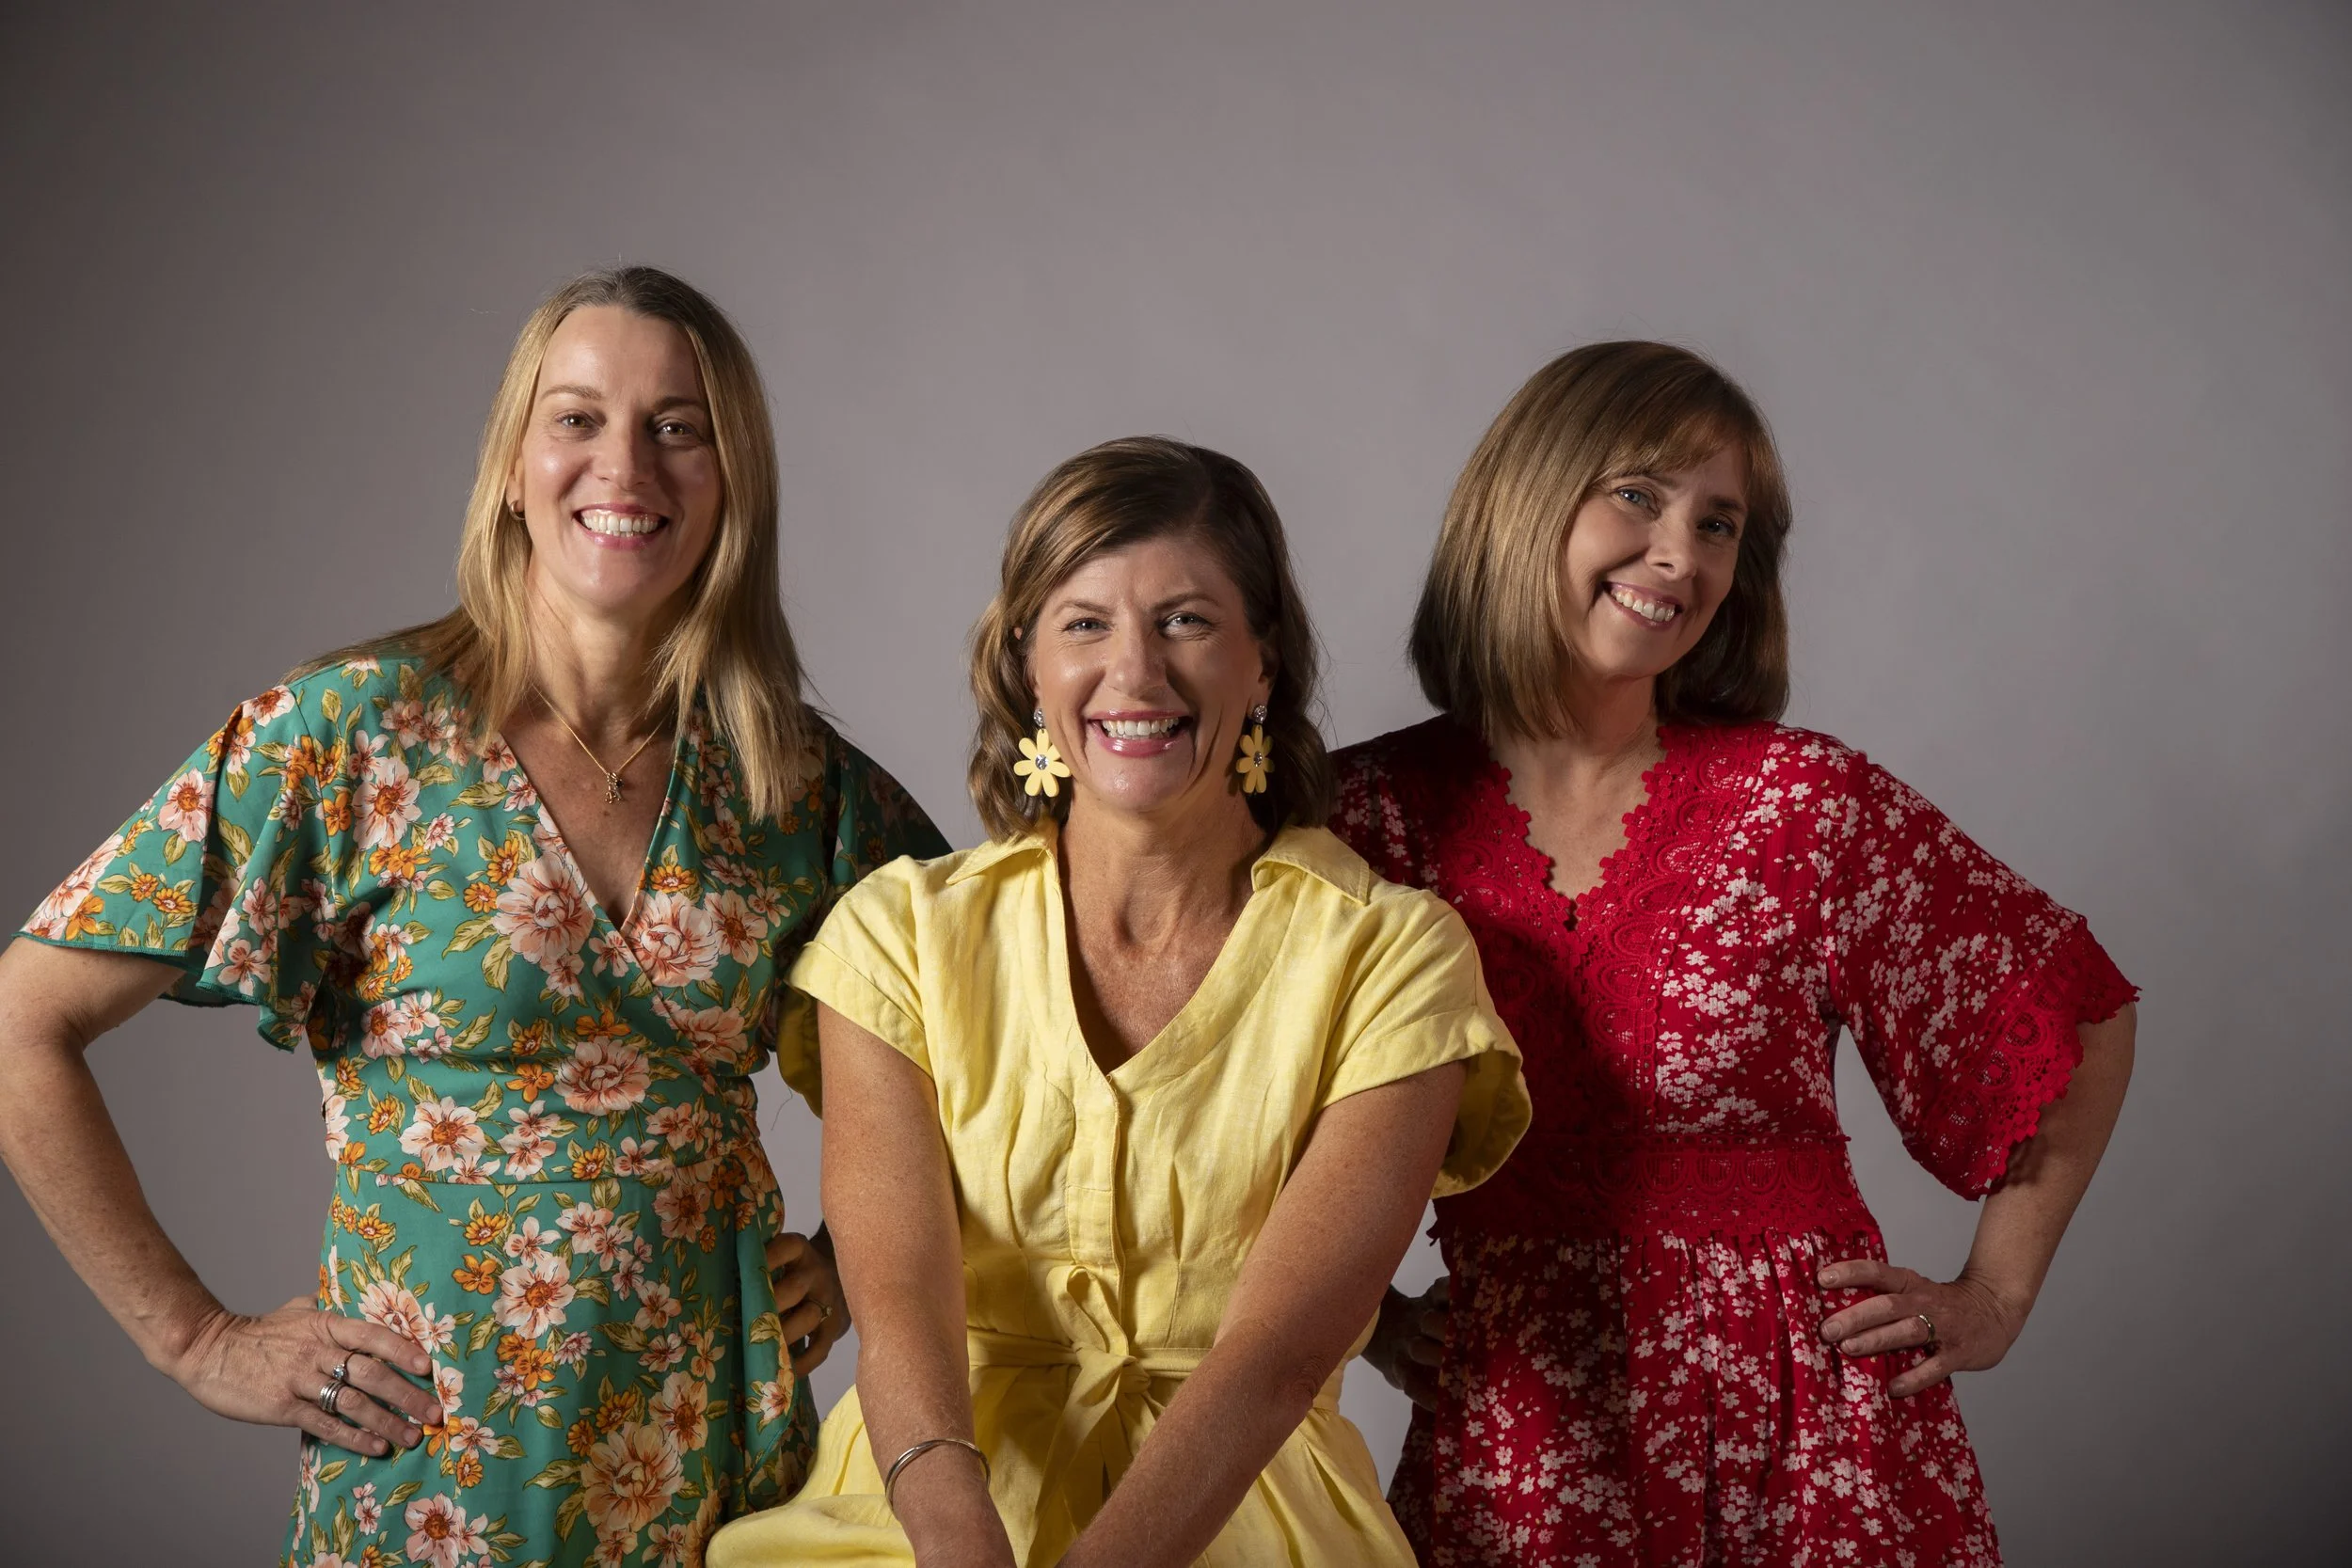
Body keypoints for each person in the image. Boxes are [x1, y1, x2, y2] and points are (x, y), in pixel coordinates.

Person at [0, 266, 946, 1568]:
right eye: (577, 418)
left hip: (723, 1469)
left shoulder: (796, 783)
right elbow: (21, 1023)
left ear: (734, 480)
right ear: (511, 464)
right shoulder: (354, 733)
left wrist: (853, 1262)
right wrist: (194, 1336)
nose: (628, 463)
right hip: (431, 1471)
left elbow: (988, 1043)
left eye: (680, 426)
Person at [1337, 342, 2138, 1567]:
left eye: (1721, 524)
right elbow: (1230, 1115)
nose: (1685, 553)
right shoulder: (1374, 816)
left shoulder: (1800, 802)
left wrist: (1997, 1295)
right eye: (1642, 497)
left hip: (1811, 1435)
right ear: (1524, 499)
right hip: (1527, 1443)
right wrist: (1373, 1317)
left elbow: (2073, 1012)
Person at [707, 437, 1531, 1568]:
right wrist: (958, 1541)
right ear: (1027, 669)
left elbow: (1275, 1360)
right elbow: (896, 1298)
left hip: (1246, 1516)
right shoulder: (897, 933)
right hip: (922, 1513)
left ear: (1263, 664)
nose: (1135, 674)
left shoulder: (1395, 958)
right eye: (1084, 623)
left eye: (1186, 620)